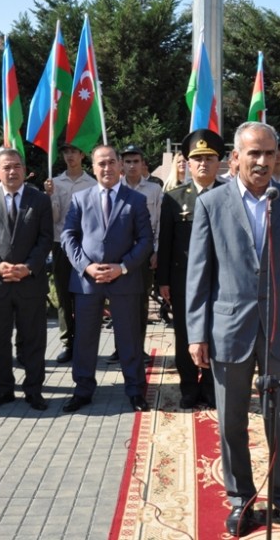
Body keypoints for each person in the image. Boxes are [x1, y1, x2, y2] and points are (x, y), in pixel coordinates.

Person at [185, 122, 280, 537]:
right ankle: (240, 500)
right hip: (229, 327)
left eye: (269, 153)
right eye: (253, 154)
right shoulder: (212, 203)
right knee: (230, 421)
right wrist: (197, 332)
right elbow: (199, 273)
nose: (262, 162)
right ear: (235, 158)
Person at [60, 145, 153, 413]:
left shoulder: (135, 200)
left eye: (112, 162)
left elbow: (146, 239)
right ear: (93, 166)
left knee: (129, 338)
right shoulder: (80, 198)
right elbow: (68, 236)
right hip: (88, 281)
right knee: (85, 339)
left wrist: (122, 267)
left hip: (124, 279)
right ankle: (83, 390)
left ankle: (135, 390)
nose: (107, 168)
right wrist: (86, 267)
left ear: (120, 166)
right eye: (101, 163)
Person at [0, 148, 53, 411]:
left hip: (30, 282)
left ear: (24, 170)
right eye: (6, 167)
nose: (12, 171)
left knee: (33, 339)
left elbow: (45, 238)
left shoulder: (39, 200)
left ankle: (34, 390)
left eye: (17, 166)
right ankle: (2, 389)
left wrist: (28, 267)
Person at [156, 129, 224, 409]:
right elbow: (166, 243)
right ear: (188, 163)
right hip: (184, 281)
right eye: (197, 159)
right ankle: (188, 388)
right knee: (185, 335)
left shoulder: (228, 194)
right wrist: (162, 281)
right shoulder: (174, 198)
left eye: (209, 158)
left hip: (222, 281)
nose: (203, 164)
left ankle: (210, 388)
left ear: (218, 161)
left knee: (215, 334)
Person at [43, 142, 96, 364]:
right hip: (61, 242)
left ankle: (85, 340)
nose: (70, 156)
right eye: (66, 152)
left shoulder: (93, 183)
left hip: (86, 244)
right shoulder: (54, 183)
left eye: (74, 151)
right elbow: (53, 218)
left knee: (85, 294)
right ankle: (68, 341)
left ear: (82, 154)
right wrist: (50, 196)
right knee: (64, 294)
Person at [119, 144, 162, 363]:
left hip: (145, 252)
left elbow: (159, 222)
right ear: (121, 164)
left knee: (142, 302)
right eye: (127, 161)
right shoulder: (115, 188)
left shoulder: (154, 190)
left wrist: (156, 251)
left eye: (136, 161)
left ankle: (139, 347)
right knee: (119, 302)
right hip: (119, 254)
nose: (132, 165)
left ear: (142, 164)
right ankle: (120, 348)